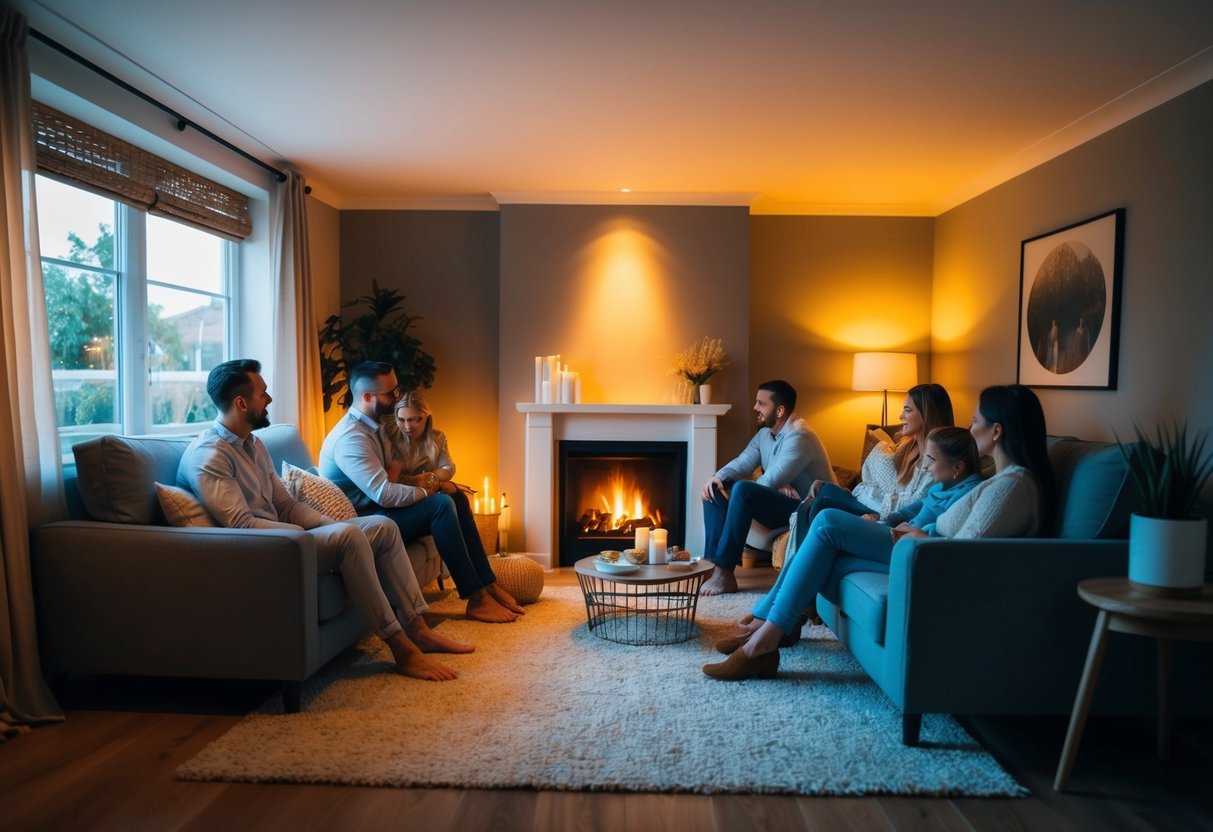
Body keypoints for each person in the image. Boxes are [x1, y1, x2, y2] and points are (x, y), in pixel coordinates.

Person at [703, 384, 1055, 681]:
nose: (970, 427)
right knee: (825, 552)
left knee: (826, 523)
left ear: (997, 431)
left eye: (977, 421)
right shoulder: (1001, 481)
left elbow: (964, 553)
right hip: (915, 548)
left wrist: (918, 535)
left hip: (926, 560)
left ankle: (763, 639)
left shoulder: (1014, 486)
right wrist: (905, 526)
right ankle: (766, 633)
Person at [177, 359, 468, 683]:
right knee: (350, 537)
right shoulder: (210, 455)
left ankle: (418, 628)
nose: (270, 399)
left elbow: (285, 503)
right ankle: (403, 650)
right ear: (241, 403)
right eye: (263, 393)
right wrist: (316, 532)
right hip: (268, 549)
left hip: (292, 534)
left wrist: (327, 524)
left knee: (382, 528)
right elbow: (242, 525)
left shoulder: (253, 444)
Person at [319, 362, 524, 623]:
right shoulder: (351, 439)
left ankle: (486, 584)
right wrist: (432, 486)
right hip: (366, 522)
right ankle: (477, 598)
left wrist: (436, 484)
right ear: (367, 397)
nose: (396, 397)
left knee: (456, 498)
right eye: (390, 393)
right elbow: (385, 495)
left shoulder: (375, 425)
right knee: (440, 504)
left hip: (381, 511)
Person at [698, 380, 834, 596]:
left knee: (743, 489)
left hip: (809, 509)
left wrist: (737, 495)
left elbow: (769, 482)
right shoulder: (764, 434)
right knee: (714, 489)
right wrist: (718, 478)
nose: (754, 408)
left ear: (779, 411)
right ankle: (712, 565)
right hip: (785, 505)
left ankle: (724, 573)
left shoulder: (799, 436)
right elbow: (743, 461)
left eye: (761, 404)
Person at [796, 383, 954, 535]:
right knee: (822, 492)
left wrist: (877, 516)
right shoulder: (908, 451)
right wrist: (852, 493)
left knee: (823, 501)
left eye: (907, 410)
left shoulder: (939, 465)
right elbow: (892, 493)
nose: (901, 416)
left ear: (926, 415)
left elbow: (911, 509)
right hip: (872, 508)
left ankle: (798, 557)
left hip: (885, 520)